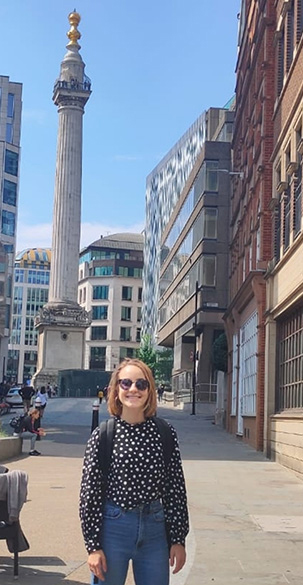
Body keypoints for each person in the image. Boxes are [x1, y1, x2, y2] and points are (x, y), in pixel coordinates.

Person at [80, 358, 189, 585]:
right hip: (114, 527)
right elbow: (90, 494)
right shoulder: (103, 435)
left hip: (155, 530)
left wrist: (178, 539)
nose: (133, 390)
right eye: (126, 383)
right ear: (115, 389)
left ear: (150, 390)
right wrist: (93, 546)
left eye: (141, 384)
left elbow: (175, 488)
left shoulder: (164, 432)